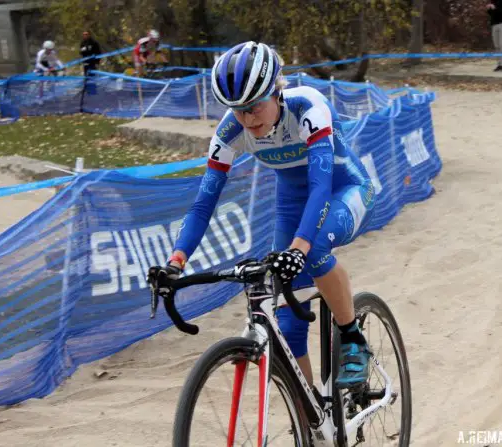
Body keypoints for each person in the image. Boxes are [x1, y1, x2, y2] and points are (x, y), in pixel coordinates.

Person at [147, 42, 376, 390]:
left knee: (312, 251)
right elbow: (202, 204)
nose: (247, 119)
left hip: (342, 190)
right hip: (292, 204)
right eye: (238, 111)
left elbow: (320, 185)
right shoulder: (230, 131)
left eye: (254, 107)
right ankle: (312, 423)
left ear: (276, 90)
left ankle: (353, 338)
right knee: (287, 331)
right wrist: (175, 261)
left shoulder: (308, 106)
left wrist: (298, 248)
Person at [487, 0, 502, 71]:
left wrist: (494, 8)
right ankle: (499, 64)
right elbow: (491, 13)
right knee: (496, 46)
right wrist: (489, 9)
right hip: (494, 24)